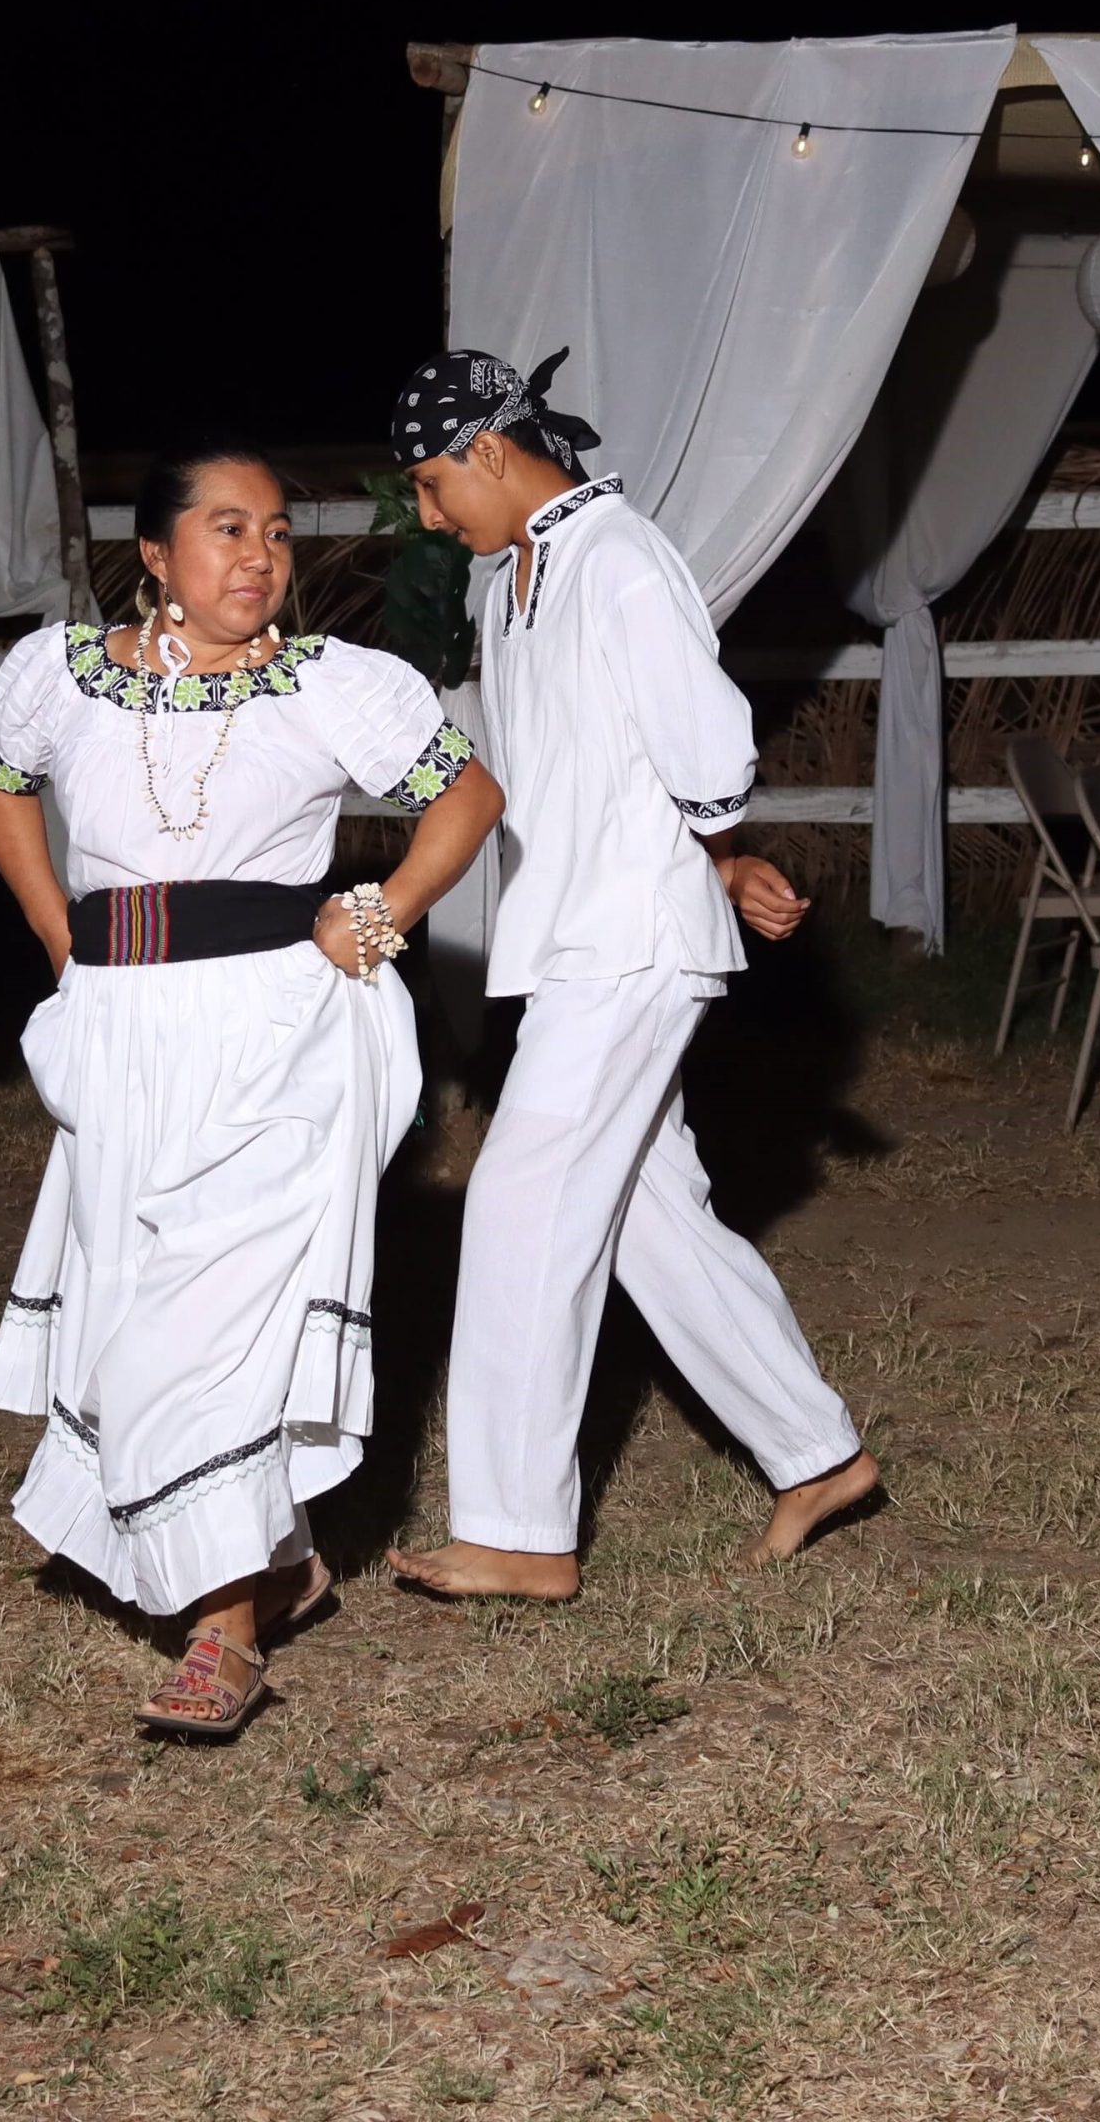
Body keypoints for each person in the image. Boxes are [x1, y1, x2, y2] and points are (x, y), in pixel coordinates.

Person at [0, 443, 503, 1740]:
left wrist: (380, 911)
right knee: (137, 1298)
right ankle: (274, 1558)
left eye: (273, 533)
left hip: (281, 1030)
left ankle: (224, 1637)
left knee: (208, 1318)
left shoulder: (333, 687)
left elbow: (467, 794)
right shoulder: (62, 674)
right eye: (225, 529)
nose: (259, 556)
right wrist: (59, 936)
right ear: (155, 555)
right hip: (123, 1030)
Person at [381, 350, 877, 1599]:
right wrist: (707, 866)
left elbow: (705, 746)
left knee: (518, 1203)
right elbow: (586, 773)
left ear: (491, 449)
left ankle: (518, 1530)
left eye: (436, 487)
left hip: (624, 946)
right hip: (584, 932)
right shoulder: (516, 577)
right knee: (650, 1221)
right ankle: (813, 1451)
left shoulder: (617, 556)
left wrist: (700, 846)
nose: (433, 518)